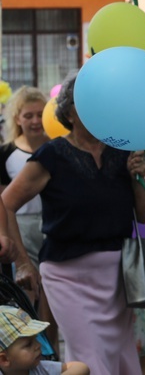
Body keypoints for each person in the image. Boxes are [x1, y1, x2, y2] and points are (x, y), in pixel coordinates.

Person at [1, 73, 145, 375]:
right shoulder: (52, 155)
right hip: (67, 274)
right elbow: (6, 203)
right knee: (91, 358)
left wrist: (141, 177)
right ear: (69, 111)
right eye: (91, 102)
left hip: (117, 275)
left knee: (123, 356)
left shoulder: (122, 151)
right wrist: (23, 262)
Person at [0, 87, 57, 349]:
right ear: (17, 119)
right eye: (28, 115)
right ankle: (30, 349)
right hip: (19, 228)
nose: (35, 121)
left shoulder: (55, 148)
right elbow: (4, 201)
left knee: (51, 296)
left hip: (51, 226)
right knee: (28, 289)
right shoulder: (7, 153)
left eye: (39, 115)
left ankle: (51, 351)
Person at [0, 305, 89, 375]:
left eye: (36, 339)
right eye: (28, 344)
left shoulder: (39, 368)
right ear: (4, 359)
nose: (38, 345)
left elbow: (81, 367)